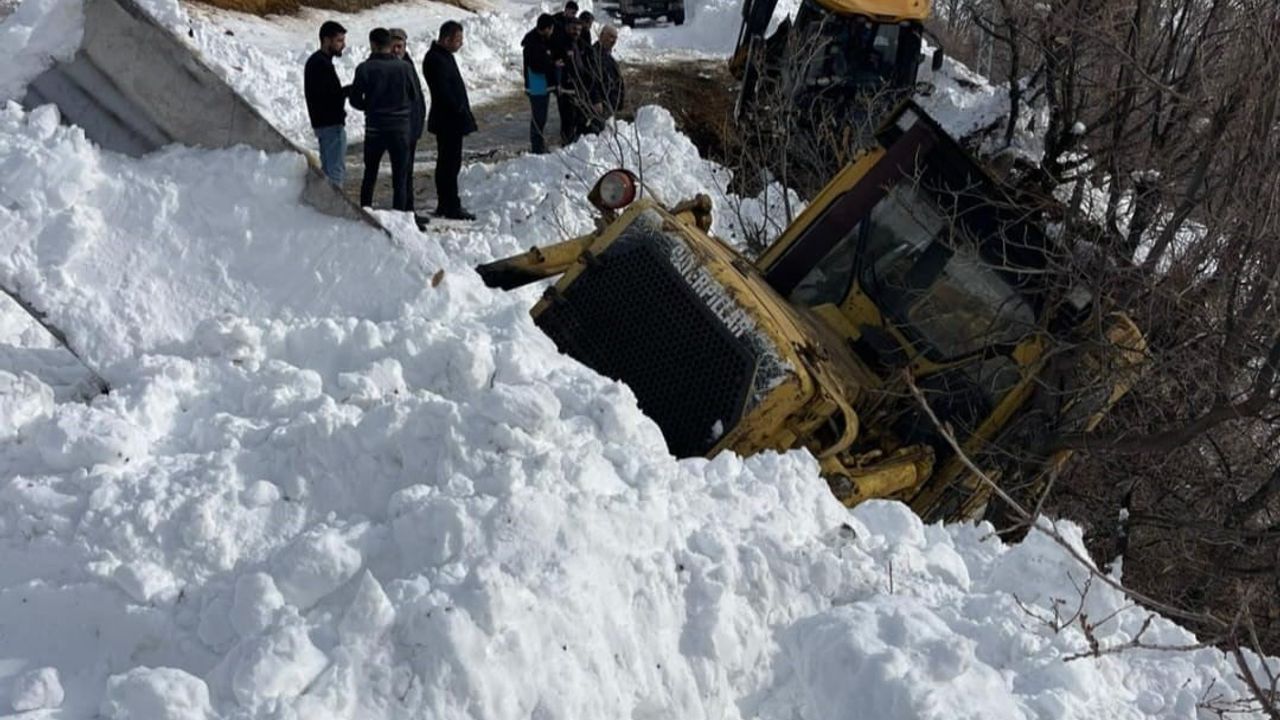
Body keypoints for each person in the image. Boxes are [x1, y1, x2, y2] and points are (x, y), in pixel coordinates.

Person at [349, 27, 417, 213]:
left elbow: (355, 99)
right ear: (389, 43)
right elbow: (413, 95)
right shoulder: (405, 68)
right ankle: (400, 216)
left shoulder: (364, 69)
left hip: (375, 129)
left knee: (370, 174)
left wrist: (369, 107)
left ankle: (365, 212)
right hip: (400, 129)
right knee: (400, 178)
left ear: (373, 44)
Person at [422, 21, 478, 221]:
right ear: (446, 39)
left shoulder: (444, 56)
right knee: (448, 164)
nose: (460, 44)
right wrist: (459, 108)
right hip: (448, 121)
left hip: (452, 120)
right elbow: (444, 92)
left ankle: (447, 203)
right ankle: (449, 205)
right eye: (457, 40)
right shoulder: (435, 59)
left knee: (450, 163)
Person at [389, 28, 429, 229]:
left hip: (411, 127)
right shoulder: (389, 67)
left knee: (408, 173)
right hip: (399, 130)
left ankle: (409, 212)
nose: (397, 49)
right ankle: (402, 216)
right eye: (393, 46)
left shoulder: (408, 63)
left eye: (400, 46)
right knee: (401, 174)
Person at [303, 21, 349, 186]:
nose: (343, 45)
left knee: (330, 171)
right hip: (331, 126)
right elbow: (329, 97)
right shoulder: (321, 64)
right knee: (335, 174)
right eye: (339, 41)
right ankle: (333, 209)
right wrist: (348, 91)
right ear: (326, 40)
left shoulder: (317, 62)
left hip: (324, 125)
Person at [522, 14, 557, 154]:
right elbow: (537, 65)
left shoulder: (540, 39)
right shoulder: (533, 43)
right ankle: (537, 148)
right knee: (539, 117)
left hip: (540, 84)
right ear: (547, 28)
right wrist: (552, 63)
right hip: (536, 84)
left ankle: (539, 145)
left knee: (541, 117)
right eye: (551, 29)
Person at [583, 24, 624, 134]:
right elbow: (591, 78)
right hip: (600, 103)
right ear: (601, 36)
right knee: (596, 134)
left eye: (615, 38)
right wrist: (596, 99)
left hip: (609, 102)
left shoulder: (607, 55)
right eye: (610, 36)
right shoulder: (593, 54)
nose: (613, 40)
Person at [551, 17, 586, 145]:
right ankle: (567, 147)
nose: (576, 32)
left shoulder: (575, 43)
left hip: (576, 90)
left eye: (579, 30)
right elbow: (557, 66)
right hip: (566, 90)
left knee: (576, 119)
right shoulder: (562, 44)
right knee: (568, 122)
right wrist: (559, 85)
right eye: (574, 29)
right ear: (567, 28)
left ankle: (571, 146)